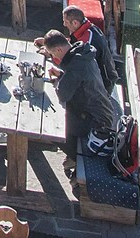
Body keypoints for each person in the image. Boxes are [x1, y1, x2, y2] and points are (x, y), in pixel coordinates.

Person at [39, 28, 123, 180]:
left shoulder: (75, 65)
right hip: (102, 110)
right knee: (64, 119)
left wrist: (56, 81)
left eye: (53, 54)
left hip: (98, 122)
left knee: (52, 128)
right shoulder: (83, 53)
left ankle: (79, 159)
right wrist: (62, 75)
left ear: (58, 49)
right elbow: (80, 80)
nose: (54, 57)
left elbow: (63, 94)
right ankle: (75, 156)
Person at [62, 5, 119, 94]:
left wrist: (53, 54)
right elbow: (73, 44)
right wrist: (56, 42)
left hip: (102, 85)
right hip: (97, 75)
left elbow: (75, 64)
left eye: (66, 22)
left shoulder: (88, 41)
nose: (64, 25)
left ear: (75, 23)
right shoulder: (88, 27)